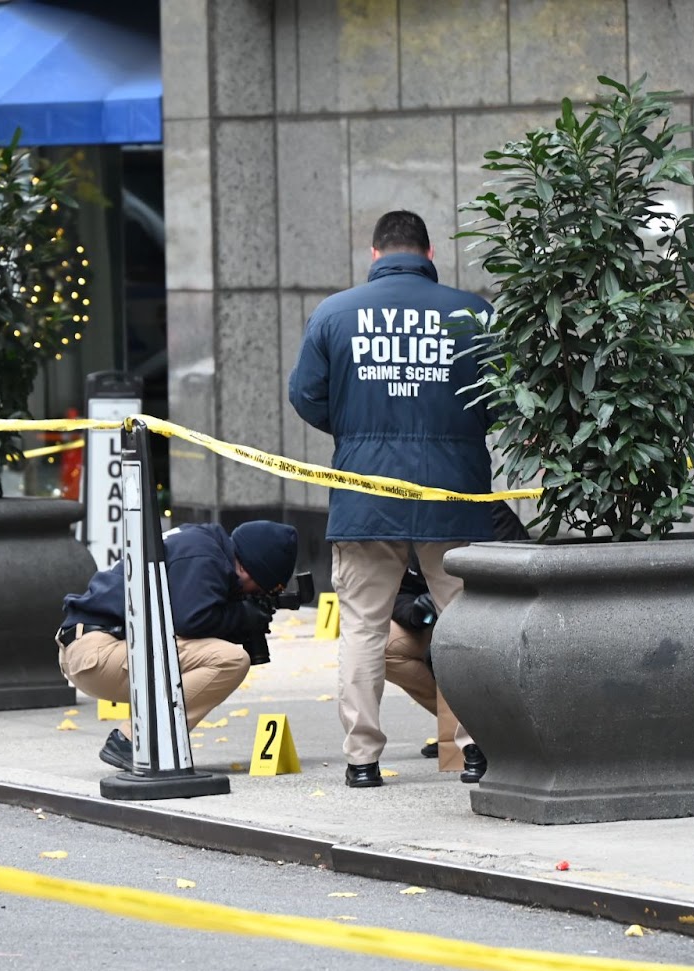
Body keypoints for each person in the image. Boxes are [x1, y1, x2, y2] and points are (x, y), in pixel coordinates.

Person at [288, 209, 495, 789]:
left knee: (362, 627)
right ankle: (475, 749)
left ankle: (362, 760)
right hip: (453, 490)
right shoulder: (472, 313)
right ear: (429, 255)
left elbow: (306, 397)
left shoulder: (334, 312)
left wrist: (358, 430)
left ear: (374, 255)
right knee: (466, 623)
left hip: (364, 492)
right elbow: (501, 401)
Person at [56, 519, 299, 772]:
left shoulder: (203, 545)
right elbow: (192, 620)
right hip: (99, 651)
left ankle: (144, 740)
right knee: (230, 660)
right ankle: (135, 741)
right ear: (249, 571)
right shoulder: (205, 556)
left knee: (218, 653)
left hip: (94, 647)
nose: (254, 595)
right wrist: (242, 616)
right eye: (259, 590)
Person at [389, 502, 529, 759]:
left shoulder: (490, 513)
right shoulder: (407, 512)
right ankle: (457, 726)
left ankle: (487, 731)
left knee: (453, 648)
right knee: (380, 642)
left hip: (490, 624)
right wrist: (415, 611)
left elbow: (520, 579)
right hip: (436, 624)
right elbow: (396, 592)